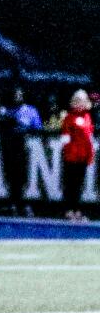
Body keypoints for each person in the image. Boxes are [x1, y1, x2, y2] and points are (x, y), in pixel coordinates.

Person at [60, 89, 94, 222]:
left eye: (82, 101)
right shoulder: (69, 118)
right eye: (77, 100)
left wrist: (90, 155)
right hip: (71, 157)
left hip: (83, 157)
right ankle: (69, 210)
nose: (80, 103)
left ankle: (77, 210)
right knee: (70, 184)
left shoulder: (87, 117)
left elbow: (89, 138)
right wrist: (69, 153)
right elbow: (65, 138)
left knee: (79, 185)